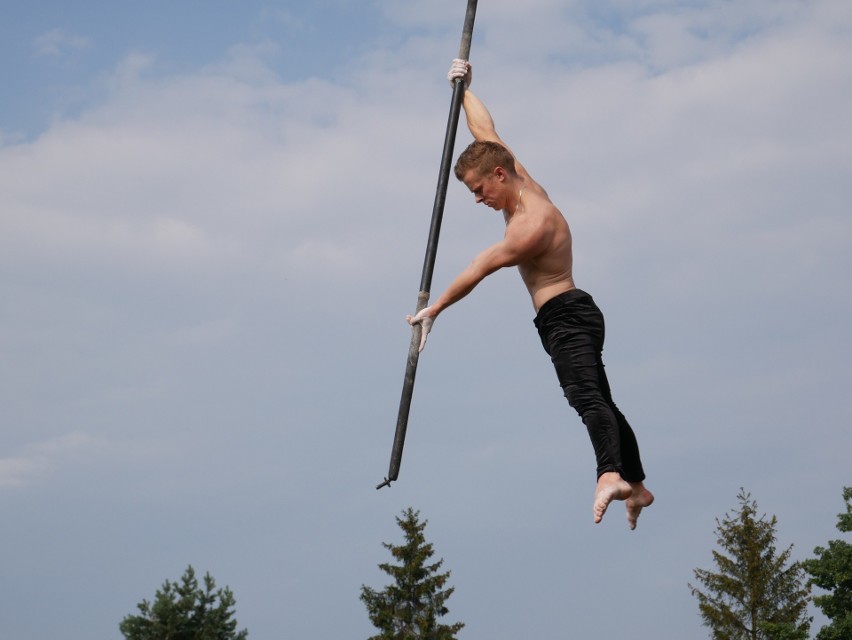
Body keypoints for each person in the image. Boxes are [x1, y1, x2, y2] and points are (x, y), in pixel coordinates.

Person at [407, 59, 654, 529]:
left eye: (481, 191)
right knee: (601, 397)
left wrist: (435, 307)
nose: (480, 200)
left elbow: (480, 267)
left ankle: (610, 474)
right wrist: (464, 89)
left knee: (585, 396)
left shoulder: (529, 226)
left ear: (499, 176)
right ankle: (637, 485)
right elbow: (485, 129)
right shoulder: (515, 174)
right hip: (567, 314)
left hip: (565, 315)